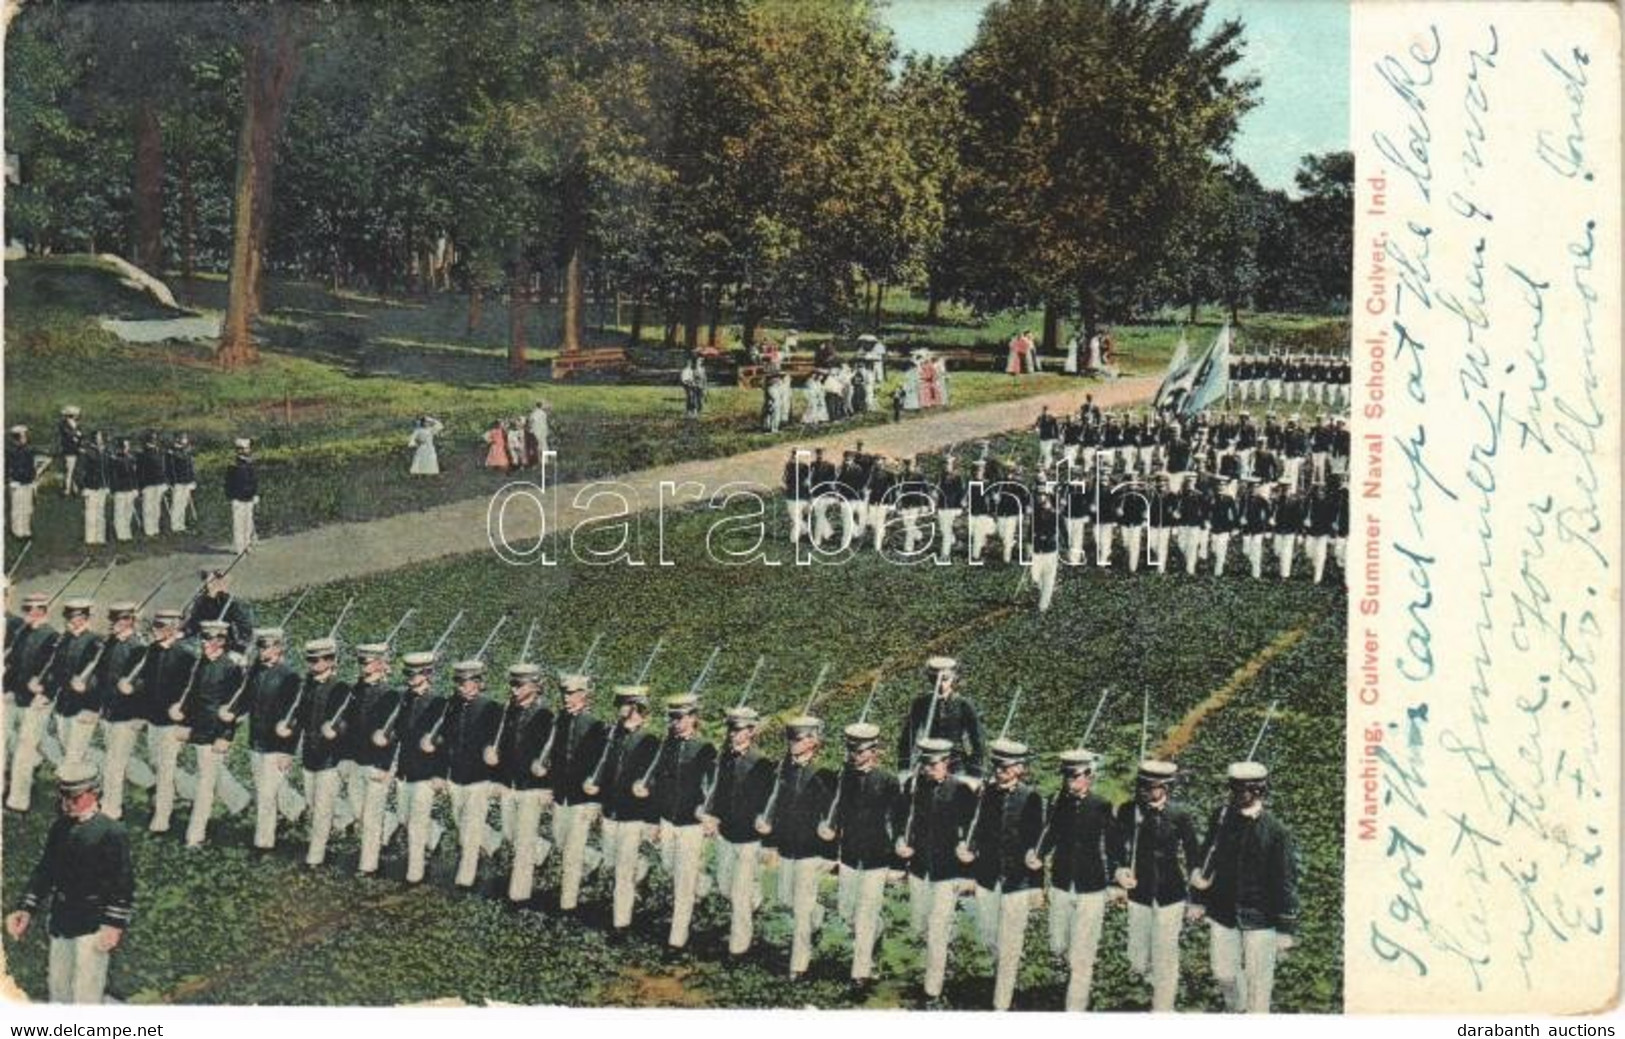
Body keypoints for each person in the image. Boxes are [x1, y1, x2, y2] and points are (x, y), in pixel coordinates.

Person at [6, 763, 135, 1004]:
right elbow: (45, 871)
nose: (67, 804)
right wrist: (27, 908)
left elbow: (122, 884)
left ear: (94, 793)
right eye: (64, 797)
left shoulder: (111, 832)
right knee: (58, 986)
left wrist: (113, 925)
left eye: (75, 798)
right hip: (61, 920)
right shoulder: (60, 827)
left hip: (94, 922)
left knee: (86, 991)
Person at [1190, 762, 1300, 1014]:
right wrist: (1197, 897)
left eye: (1244, 791)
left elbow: (1285, 880)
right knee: (1223, 973)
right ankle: (1236, 1008)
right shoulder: (1221, 818)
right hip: (1223, 912)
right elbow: (1207, 857)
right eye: (1234, 790)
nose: (1237, 796)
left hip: (1261, 918)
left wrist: (1285, 927)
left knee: (1259, 983)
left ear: (1259, 791)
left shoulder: (1276, 831)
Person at [1030, 749, 1121, 1011]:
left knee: (1082, 952)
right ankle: (1073, 971)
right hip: (1060, 882)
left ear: (1089, 777)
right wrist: (1038, 854)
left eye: (1076, 776)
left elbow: (1114, 845)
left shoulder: (1101, 805)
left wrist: (1118, 874)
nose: (1070, 781)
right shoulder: (1059, 803)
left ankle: (1076, 1005)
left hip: (1091, 887)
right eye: (1066, 776)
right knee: (1058, 944)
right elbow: (1049, 834)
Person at [960, 738, 1044, 1011]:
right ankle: (1003, 977)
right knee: (989, 936)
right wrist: (968, 860)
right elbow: (975, 833)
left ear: (1019, 769)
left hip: (1016, 882)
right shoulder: (984, 794)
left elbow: (1037, 845)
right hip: (987, 878)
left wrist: (1036, 885)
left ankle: (1002, 1002)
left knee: (1010, 941)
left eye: (1005, 768)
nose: (999, 772)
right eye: (996, 766)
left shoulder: (1031, 798)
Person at [1114, 759, 1202, 1012]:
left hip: (1170, 894)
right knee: (1137, 958)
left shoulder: (1179, 815)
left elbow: (1194, 854)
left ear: (1165, 787)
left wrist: (1196, 895)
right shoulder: (1129, 811)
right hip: (1138, 892)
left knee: (1166, 953)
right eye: (1142, 784)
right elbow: (1116, 847)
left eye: (1151, 786)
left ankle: (1163, 1007)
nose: (1145, 790)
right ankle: (1153, 976)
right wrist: (1120, 871)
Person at [755, 713, 836, 979]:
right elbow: (773, 807)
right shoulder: (782, 771)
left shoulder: (823, 775)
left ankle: (798, 965)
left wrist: (830, 852)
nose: (792, 743)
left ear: (814, 742)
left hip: (810, 852)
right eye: (790, 738)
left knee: (801, 909)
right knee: (786, 900)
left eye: (799, 738)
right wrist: (769, 840)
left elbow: (832, 818)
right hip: (787, 849)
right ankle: (818, 915)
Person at [893, 736, 975, 1000]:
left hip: (946, 871)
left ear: (947, 762)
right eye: (925, 764)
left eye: (934, 764)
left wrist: (967, 855)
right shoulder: (914, 788)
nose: (929, 769)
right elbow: (899, 820)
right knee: (920, 926)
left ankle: (932, 988)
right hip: (919, 868)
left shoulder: (961, 791)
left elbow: (973, 830)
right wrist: (899, 841)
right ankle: (938, 957)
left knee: (937, 928)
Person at [821, 721, 897, 986]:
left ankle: (861, 973)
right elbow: (836, 812)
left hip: (877, 857)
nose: (856, 756)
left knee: (865, 914)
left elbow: (897, 821)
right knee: (848, 912)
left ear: (874, 751)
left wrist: (897, 861)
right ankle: (878, 931)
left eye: (862, 751)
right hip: (850, 854)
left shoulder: (888, 780)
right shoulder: (844, 777)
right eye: (852, 751)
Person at [643, 693, 715, 948]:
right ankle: (701, 883)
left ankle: (677, 940)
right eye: (671, 718)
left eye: (679, 717)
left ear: (693, 718)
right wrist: (654, 820)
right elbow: (657, 783)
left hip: (690, 826)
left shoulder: (704, 748)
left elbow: (712, 785)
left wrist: (707, 813)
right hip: (667, 821)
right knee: (670, 869)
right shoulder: (667, 746)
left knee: (683, 883)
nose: (674, 723)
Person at [701, 705, 773, 956]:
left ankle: (739, 947)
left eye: (739, 729)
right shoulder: (725, 758)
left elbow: (768, 803)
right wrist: (711, 816)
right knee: (725, 887)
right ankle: (755, 899)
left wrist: (767, 841)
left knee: (740, 895)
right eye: (730, 728)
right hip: (726, 833)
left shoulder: (761, 763)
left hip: (748, 839)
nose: (733, 733)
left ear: (752, 731)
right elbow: (717, 791)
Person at [593, 684, 659, 931]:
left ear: (635, 708)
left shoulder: (649, 741)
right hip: (611, 812)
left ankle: (620, 924)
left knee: (622, 871)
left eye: (623, 703)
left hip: (633, 816)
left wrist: (650, 819)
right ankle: (640, 872)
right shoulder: (613, 736)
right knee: (610, 863)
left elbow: (654, 781)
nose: (618, 708)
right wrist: (600, 805)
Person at [234, 627, 304, 850]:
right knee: (266, 789)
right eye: (261, 646)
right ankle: (297, 809)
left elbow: (295, 718)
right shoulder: (255, 672)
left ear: (280, 647)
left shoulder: (290, 677)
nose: (264, 650)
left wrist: (287, 751)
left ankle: (263, 843)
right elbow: (244, 700)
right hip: (257, 742)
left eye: (269, 646)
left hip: (277, 746)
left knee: (265, 795)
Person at [542, 671, 608, 912]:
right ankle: (592, 860)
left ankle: (567, 904)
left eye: (571, 693)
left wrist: (595, 801)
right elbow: (554, 759)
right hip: (561, 795)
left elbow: (601, 766)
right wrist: (550, 787)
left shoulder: (596, 726)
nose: (565, 698)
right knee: (560, 843)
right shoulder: (560, 721)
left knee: (571, 853)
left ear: (584, 695)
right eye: (563, 693)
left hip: (582, 799)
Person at [176, 620, 244, 848]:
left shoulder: (231, 669)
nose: (205, 643)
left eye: (211, 640)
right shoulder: (201, 664)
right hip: (198, 730)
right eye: (203, 639)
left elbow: (234, 707)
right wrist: (186, 723)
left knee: (205, 784)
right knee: (210, 774)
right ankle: (240, 800)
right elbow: (193, 697)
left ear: (222, 642)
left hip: (216, 734)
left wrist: (225, 736)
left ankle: (195, 836)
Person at [132, 609, 194, 834]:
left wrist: (185, 721)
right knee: (157, 764)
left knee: (166, 770)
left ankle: (161, 819)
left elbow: (191, 692)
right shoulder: (151, 652)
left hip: (172, 724)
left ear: (173, 629)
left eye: (161, 627)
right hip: (153, 720)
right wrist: (141, 715)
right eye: (155, 627)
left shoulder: (186, 656)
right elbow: (145, 688)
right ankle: (191, 793)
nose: (156, 631)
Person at [498, 662, 554, 904]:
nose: (513, 689)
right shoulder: (509, 712)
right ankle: (541, 848)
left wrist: (547, 785)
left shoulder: (545, 716)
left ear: (535, 687)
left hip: (532, 788)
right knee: (510, 833)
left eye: (519, 685)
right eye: (512, 684)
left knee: (522, 843)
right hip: (510, 784)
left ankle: (518, 895)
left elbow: (552, 754)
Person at [92, 602, 149, 821]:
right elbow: (102, 676)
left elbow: (148, 684)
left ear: (129, 622)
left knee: (115, 762)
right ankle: (115, 799)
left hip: (128, 714)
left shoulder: (140, 648)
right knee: (113, 760)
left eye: (120, 621)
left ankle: (111, 809)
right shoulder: (110, 645)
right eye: (113, 620)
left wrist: (139, 711)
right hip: (109, 711)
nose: (114, 625)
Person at [298, 637, 352, 866]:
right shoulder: (307, 686)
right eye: (312, 660)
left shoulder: (341, 688)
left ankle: (315, 857)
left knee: (321, 809)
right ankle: (345, 819)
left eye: (323, 659)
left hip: (330, 758)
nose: (316, 664)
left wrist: (337, 729)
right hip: (310, 756)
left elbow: (348, 721)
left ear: (332, 661)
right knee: (313, 803)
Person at [5, 592, 59, 813]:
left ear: (43, 611)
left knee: (24, 750)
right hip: (15, 697)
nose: (29, 613)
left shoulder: (54, 637)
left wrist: (45, 691)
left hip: (38, 702)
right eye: (26, 609)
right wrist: (7, 689)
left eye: (34, 610)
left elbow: (59, 671)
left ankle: (18, 801)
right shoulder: (23, 634)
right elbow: (14, 665)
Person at [351, 643, 402, 877]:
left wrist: (384, 767)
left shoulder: (390, 695)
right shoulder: (357, 690)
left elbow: (393, 735)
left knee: (371, 818)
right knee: (358, 812)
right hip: (357, 760)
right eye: (361, 662)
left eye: (369, 662)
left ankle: (368, 866)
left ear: (382, 664)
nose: (364, 666)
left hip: (378, 763)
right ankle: (390, 825)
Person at [898, 656, 986, 777]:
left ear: (953, 678)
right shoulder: (921, 703)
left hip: (955, 763)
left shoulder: (963, 705)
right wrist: (905, 767)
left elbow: (977, 741)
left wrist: (975, 771)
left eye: (945, 679)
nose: (940, 684)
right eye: (935, 679)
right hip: (927, 762)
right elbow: (908, 737)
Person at [49, 598, 104, 770]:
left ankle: (81, 789)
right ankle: (89, 781)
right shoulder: (64, 641)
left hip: (85, 706)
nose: (71, 620)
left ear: (85, 618)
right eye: (69, 617)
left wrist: (91, 703)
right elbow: (56, 671)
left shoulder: (96, 642)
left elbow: (103, 677)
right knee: (68, 750)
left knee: (74, 755)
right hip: (63, 705)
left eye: (76, 617)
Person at [225, 438, 259, 554]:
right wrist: (231, 497)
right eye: (243, 449)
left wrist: (255, 494)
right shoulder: (233, 465)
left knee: (248, 523)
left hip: (249, 498)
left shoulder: (251, 463)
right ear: (238, 450)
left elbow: (254, 481)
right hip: (238, 499)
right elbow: (228, 483)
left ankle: (247, 545)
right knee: (238, 524)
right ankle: (239, 547)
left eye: (247, 448)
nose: (246, 450)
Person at [8, 424, 38, 539]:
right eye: (24, 436)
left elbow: (31, 467)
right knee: (18, 508)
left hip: (27, 482)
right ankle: (17, 531)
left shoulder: (27, 450)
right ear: (18, 437)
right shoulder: (13, 451)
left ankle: (26, 530)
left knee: (27, 508)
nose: (26, 438)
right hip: (18, 483)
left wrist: (32, 479)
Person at [79, 432, 109, 547]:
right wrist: (83, 486)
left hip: (102, 486)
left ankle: (100, 537)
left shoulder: (104, 452)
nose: (100, 440)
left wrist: (107, 485)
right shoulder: (88, 453)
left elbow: (106, 470)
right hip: (91, 487)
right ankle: (90, 539)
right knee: (91, 513)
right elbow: (81, 470)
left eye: (101, 438)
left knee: (101, 513)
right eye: (98, 438)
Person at [137, 431, 168, 537]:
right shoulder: (142, 454)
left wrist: (164, 481)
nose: (153, 440)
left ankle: (155, 529)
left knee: (156, 507)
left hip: (159, 483)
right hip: (148, 484)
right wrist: (140, 487)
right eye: (151, 438)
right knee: (148, 507)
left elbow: (162, 468)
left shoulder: (159, 452)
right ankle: (149, 530)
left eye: (154, 438)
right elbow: (140, 472)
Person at [108, 439, 139, 543]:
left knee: (128, 511)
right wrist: (114, 489)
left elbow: (134, 475)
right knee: (119, 512)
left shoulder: (131, 459)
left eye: (127, 446)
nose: (126, 448)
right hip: (120, 489)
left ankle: (127, 532)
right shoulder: (114, 459)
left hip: (130, 488)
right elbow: (113, 476)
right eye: (124, 446)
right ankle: (120, 534)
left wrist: (135, 488)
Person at [166, 434, 198, 533]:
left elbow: (191, 467)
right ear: (178, 439)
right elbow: (170, 469)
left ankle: (181, 525)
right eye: (183, 438)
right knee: (176, 504)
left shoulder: (187, 452)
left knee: (183, 504)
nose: (185, 440)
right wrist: (172, 482)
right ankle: (175, 526)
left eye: (186, 438)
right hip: (178, 482)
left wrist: (192, 480)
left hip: (187, 481)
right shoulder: (172, 453)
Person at [58, 406, 83, 497]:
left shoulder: (75, 424)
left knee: (73, 470)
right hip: (69, 451)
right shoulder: (64, 425)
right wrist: (76, 435)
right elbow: (69, 436)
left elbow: (79, 436)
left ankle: (74, 489)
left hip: (74, 450)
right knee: (69, 470)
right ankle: (67, 490)